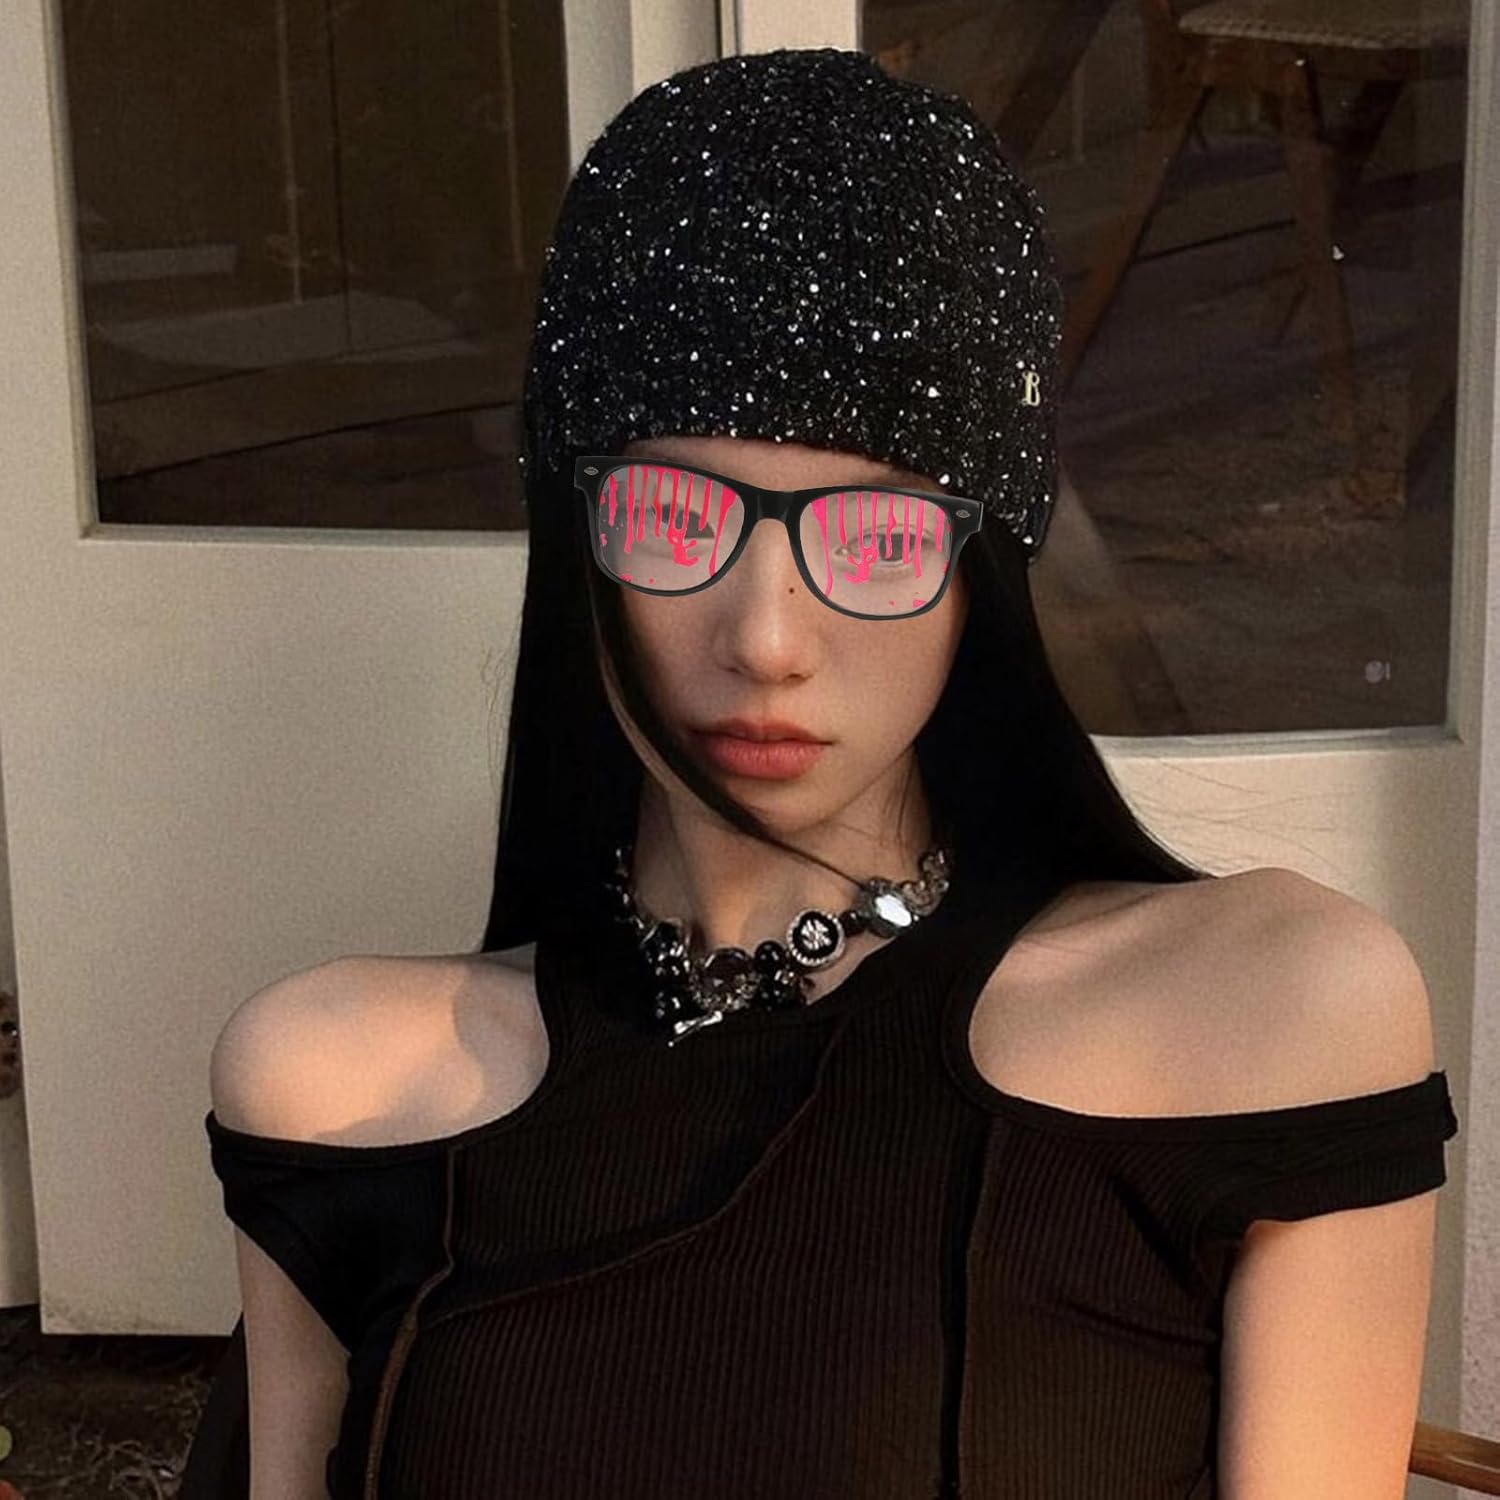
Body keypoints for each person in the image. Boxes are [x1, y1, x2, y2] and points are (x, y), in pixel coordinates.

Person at [181, 46, 1458, 1500]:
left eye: (880, 538)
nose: (768, 641)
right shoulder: (338, 1082)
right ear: (578, 537)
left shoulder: (1270, 1010)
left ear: (980, 572)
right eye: (675, 517)